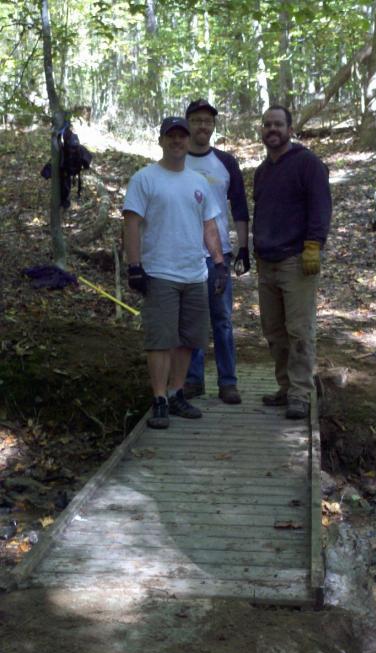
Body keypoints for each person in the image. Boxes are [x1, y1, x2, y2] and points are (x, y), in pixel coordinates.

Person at [123, 116, 227, 429]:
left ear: (187, 140)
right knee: (160, 340)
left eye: (181, 136)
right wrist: (134, 266)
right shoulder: (145, 178)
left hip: (195, 273)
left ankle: (176, 392)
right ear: (161, 140)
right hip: (160, 272)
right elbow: (131, 223)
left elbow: (209, 225)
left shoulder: (197, 182)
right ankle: (159, 400)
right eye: (171, 136)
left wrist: (219, 263)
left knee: (187, 340)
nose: (177, 141)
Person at [253, 105, 332, 419]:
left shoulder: (308, 164)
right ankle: (285, 388)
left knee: (299, 330)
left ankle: (300, 393)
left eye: (278, 124)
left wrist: (314, 245)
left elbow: (321, 206)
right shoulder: (262, 171)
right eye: (267, 125)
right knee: (274, 331)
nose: (272, 129)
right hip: (266, 260)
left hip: (296, 261)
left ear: (290, 129)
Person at [183, 99, 250, 405]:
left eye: (208, 121)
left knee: (222, 319)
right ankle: (193, 379)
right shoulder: (177, 160)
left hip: (218, 254)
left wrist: (243, 247)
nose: (202, 126)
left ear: (213, 126)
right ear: (188, 124)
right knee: (192, 319)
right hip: (183, 253)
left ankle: (228, 381)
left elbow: (239, 205)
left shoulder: (226, 162)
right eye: (196, 120)